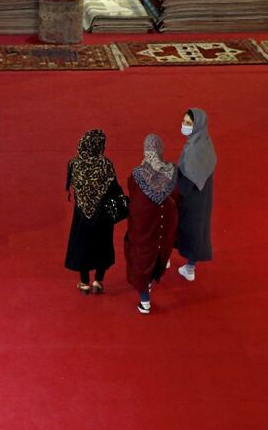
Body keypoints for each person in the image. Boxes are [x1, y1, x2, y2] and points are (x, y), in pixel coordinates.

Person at [125, 134, 180, 314]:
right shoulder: (172, 171)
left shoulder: (137, 175)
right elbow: (178, 197)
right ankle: (152, 279)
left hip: (144, 222)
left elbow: (133, 194)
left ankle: (145, 300)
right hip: (166, 221)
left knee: (141, 253)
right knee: (158, 250)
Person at [64, 129, 124, 295]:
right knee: (102, 247)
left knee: (82, 246)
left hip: (81, 215)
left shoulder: (74, 163)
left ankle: (84, 283)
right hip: (102, 216)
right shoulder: (105, 165)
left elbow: (70, 186)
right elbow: (114, 190)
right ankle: (98, 281)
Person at [176, 108, 217, 282]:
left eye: (188, 123)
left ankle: (164, 261)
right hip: (203, 199)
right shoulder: (206, 144)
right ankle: (190, 267)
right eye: (184, 122)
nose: (184, 126)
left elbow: (186, 180)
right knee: (198, 232)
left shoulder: (192, 151)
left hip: (189, 199)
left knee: (176, 228)